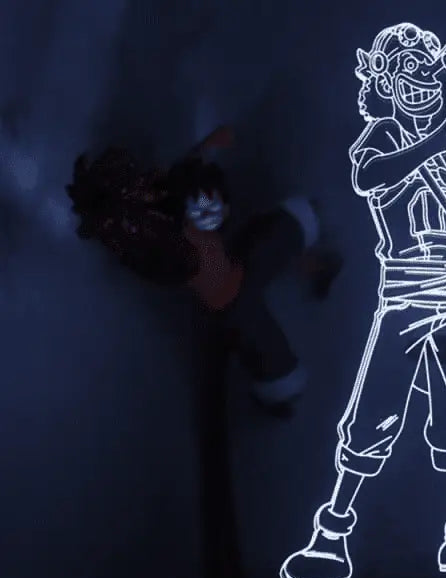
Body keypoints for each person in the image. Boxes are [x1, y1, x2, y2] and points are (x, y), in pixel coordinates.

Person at [279, 22, 446, 578]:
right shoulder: (386, 138)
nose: (418, 82)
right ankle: (330, 537)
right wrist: (444, 136)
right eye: (404, 72)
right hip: (406, 302)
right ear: (385, 83)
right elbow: (371, 176)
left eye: (427, 72)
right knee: (373, 416)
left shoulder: (443, 156)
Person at [65, 125, 342, 415]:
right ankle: (277, 395)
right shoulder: (152, 237)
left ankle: (313, 257)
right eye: (130, 177)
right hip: (232, 299)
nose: (140, 177)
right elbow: (198, 222)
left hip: (233, 269)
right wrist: (196, 203)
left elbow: (181, 188)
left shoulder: (150, 211)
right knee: (271, 361)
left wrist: (204, 152)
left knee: (281, 231)